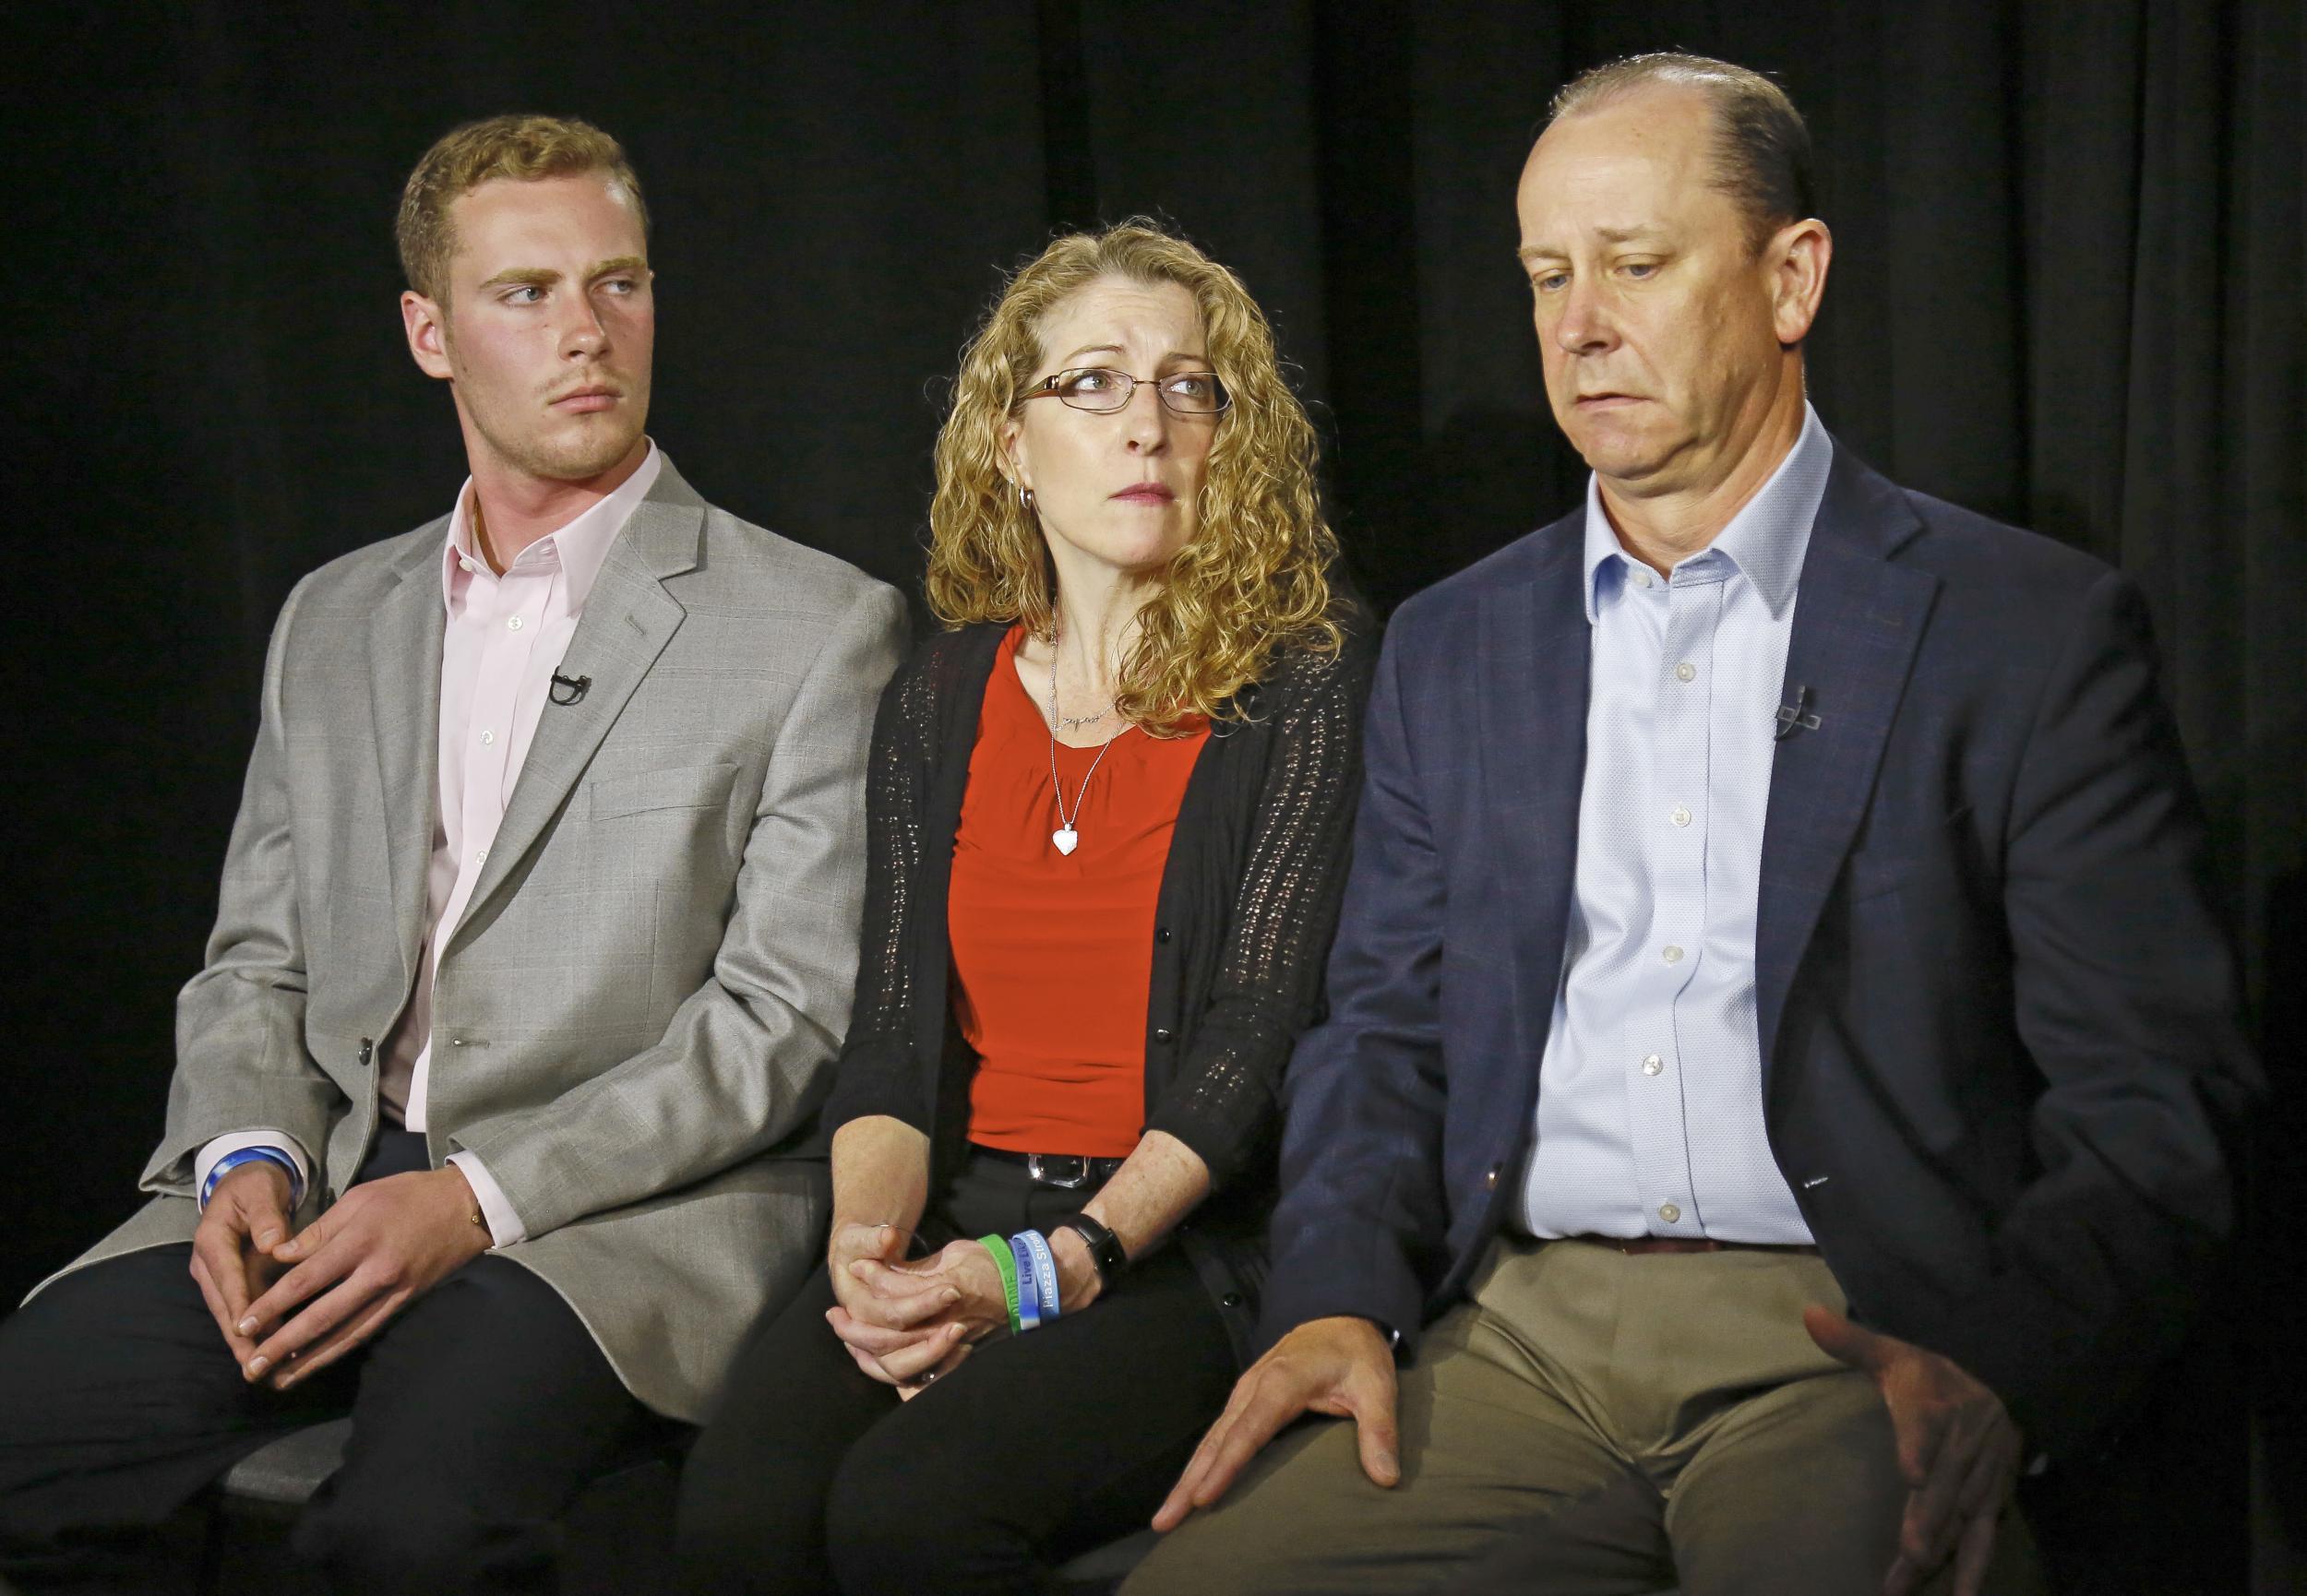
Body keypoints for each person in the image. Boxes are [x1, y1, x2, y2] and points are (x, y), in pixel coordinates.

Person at [1126, 53, 2260, 1596]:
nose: (1578, 325)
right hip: (1517, 1329)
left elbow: (2151, 1102)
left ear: (1791, 278)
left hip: (1855, 1334)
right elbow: (1382, 1033)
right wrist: (1329, 1293)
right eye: (1545, 275)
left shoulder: (2024, 633)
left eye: (1636, 265)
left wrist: (2003, 1366)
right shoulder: (1458, 644)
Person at [0, 114, 907, 1593]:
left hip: (603, 1216)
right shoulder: (334, 616)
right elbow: (260, 959)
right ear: (431, 333)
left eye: (620, 283)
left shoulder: (817, 626)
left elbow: (783, 1023)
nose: (588, 334)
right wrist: (247, 1150)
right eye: (526, 293)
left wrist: (477, 1196)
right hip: (322, 1178)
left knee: (410, 1534)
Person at [673, 220, 1370, 1596]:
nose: (1148, 426)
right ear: (1009, 442)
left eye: (1188, 386)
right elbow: (890, 1029)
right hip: (958, 1212)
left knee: (911, 1515)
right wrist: (871, 1256)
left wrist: (1062, 1262)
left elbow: (1260, 1031)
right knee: (735, 1521)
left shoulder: (1306, 673)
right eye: (1096, 383)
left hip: (1170, 1248)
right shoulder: (940, 693)